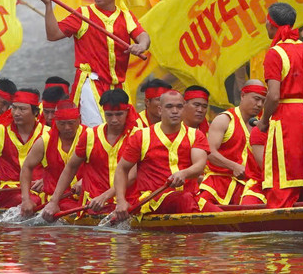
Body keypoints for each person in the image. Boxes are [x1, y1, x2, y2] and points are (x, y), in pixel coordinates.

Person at [37, 0, 151, 103]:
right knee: (97, 124)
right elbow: (53, 34)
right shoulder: (83, 14)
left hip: (118, 85)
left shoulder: (126, 16)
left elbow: (143, 35)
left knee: (125, 123)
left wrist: (141, 45)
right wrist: (47, 5)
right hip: (90, 84)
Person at [258, 3, 303, 208]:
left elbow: (273, 96)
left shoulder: (275, 53)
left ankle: (279, 215)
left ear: (271, 25)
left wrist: (263, 121)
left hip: (288, 117)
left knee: (282, 178)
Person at [107, 89, 209, 222]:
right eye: (169, 107)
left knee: (217, 215)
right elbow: (122, 169)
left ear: (184, 108)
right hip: (154, 202)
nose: (174, 111)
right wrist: (120, 201)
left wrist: (184, 173)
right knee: (185, 199)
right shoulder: (141, 136)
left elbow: (200, 166)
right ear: (160, 110)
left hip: (191, 199)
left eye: (179, 106)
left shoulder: (196, 135)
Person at [40, 89, 135, 220]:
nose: (114, 120)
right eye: (109, 115)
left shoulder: (137, 136)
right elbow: (70, 168)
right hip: (93, 204)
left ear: (128, 112)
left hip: (127, 203)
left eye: (119, 114)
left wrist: (106, 196)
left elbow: (131, 176)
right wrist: (53, 202)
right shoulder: (90, 135)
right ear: (103, 112)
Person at [199, 79, 267, 209]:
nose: (259, 104)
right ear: (242, 95)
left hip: (249, 187)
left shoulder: (261, 125)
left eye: (263, 101)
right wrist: (233, 166)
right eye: (256, 99)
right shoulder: (224, 119)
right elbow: (208, 152)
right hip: (218, 184)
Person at [18, 101, 82, 217]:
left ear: (79, 119)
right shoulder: (44, 141)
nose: (67, 128)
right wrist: (25, 199)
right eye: (62, 124)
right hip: (55, 202)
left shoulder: (89, 136)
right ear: (55, 121)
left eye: (71, 123)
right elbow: (27, 167)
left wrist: (84, 181)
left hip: (85, 198)